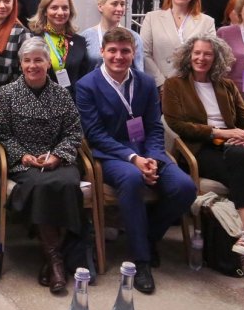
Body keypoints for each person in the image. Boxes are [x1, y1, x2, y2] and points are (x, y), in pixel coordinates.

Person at [75, 27, 196, 294]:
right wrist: (133, 158)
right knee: (131, 179)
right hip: (111, 155)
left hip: (148, 151)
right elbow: (94, 134)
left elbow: (154, 127)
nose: (118, 56)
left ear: (134, 53)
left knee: (185, 188)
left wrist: (152, 157)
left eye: (125, 51)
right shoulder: (86, 86)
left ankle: (147, 236)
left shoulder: (146, 83)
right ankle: (141, 261)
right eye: (112, 51)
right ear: (102, 52)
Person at [163, 35, 244, 276]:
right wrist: (219, 132)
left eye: (208, 54)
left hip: (236, 147)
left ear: (216, 58)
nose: (202, 58)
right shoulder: (175, 84)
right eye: (197, 53)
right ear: (188, 56)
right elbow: (178, 124)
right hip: (202, 150)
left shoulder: (227, 85)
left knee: (242, 158)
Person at [0, 38, 84, 293]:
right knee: (42, 186)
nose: (32, 65)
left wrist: (57, 155)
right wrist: (22, 155)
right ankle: (56, 261)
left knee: (68, 184)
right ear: (20, 64)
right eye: (27, 60)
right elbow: (3, 133)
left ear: (48, 63)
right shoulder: (7, 94)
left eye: (38, 60)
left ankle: (52, 258)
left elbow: (74, 132)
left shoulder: (61, 94)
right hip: (25, 163)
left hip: (58, 160)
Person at [140, 0, 215, 89]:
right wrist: (162, 83)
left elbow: (208, 55)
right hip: (160, 87)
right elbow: (144, 53)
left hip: (194, 87)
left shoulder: (207, 22)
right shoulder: (152, 18)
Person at [28, 0, 92, 96]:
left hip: (71, 101)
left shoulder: (79, 41)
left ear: (70, 12)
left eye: (65, 8)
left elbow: (83, 77)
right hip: (39, 100)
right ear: (45, 11)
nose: (60, 12)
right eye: (54, 7)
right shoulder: (32, 39)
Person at [80, 0, 144, 71]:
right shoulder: (86, 36)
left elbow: (139, 72)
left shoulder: (134, 37)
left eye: (122, 4)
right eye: (114, 4)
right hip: (93, 80)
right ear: (100, 7)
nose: (120, 9)